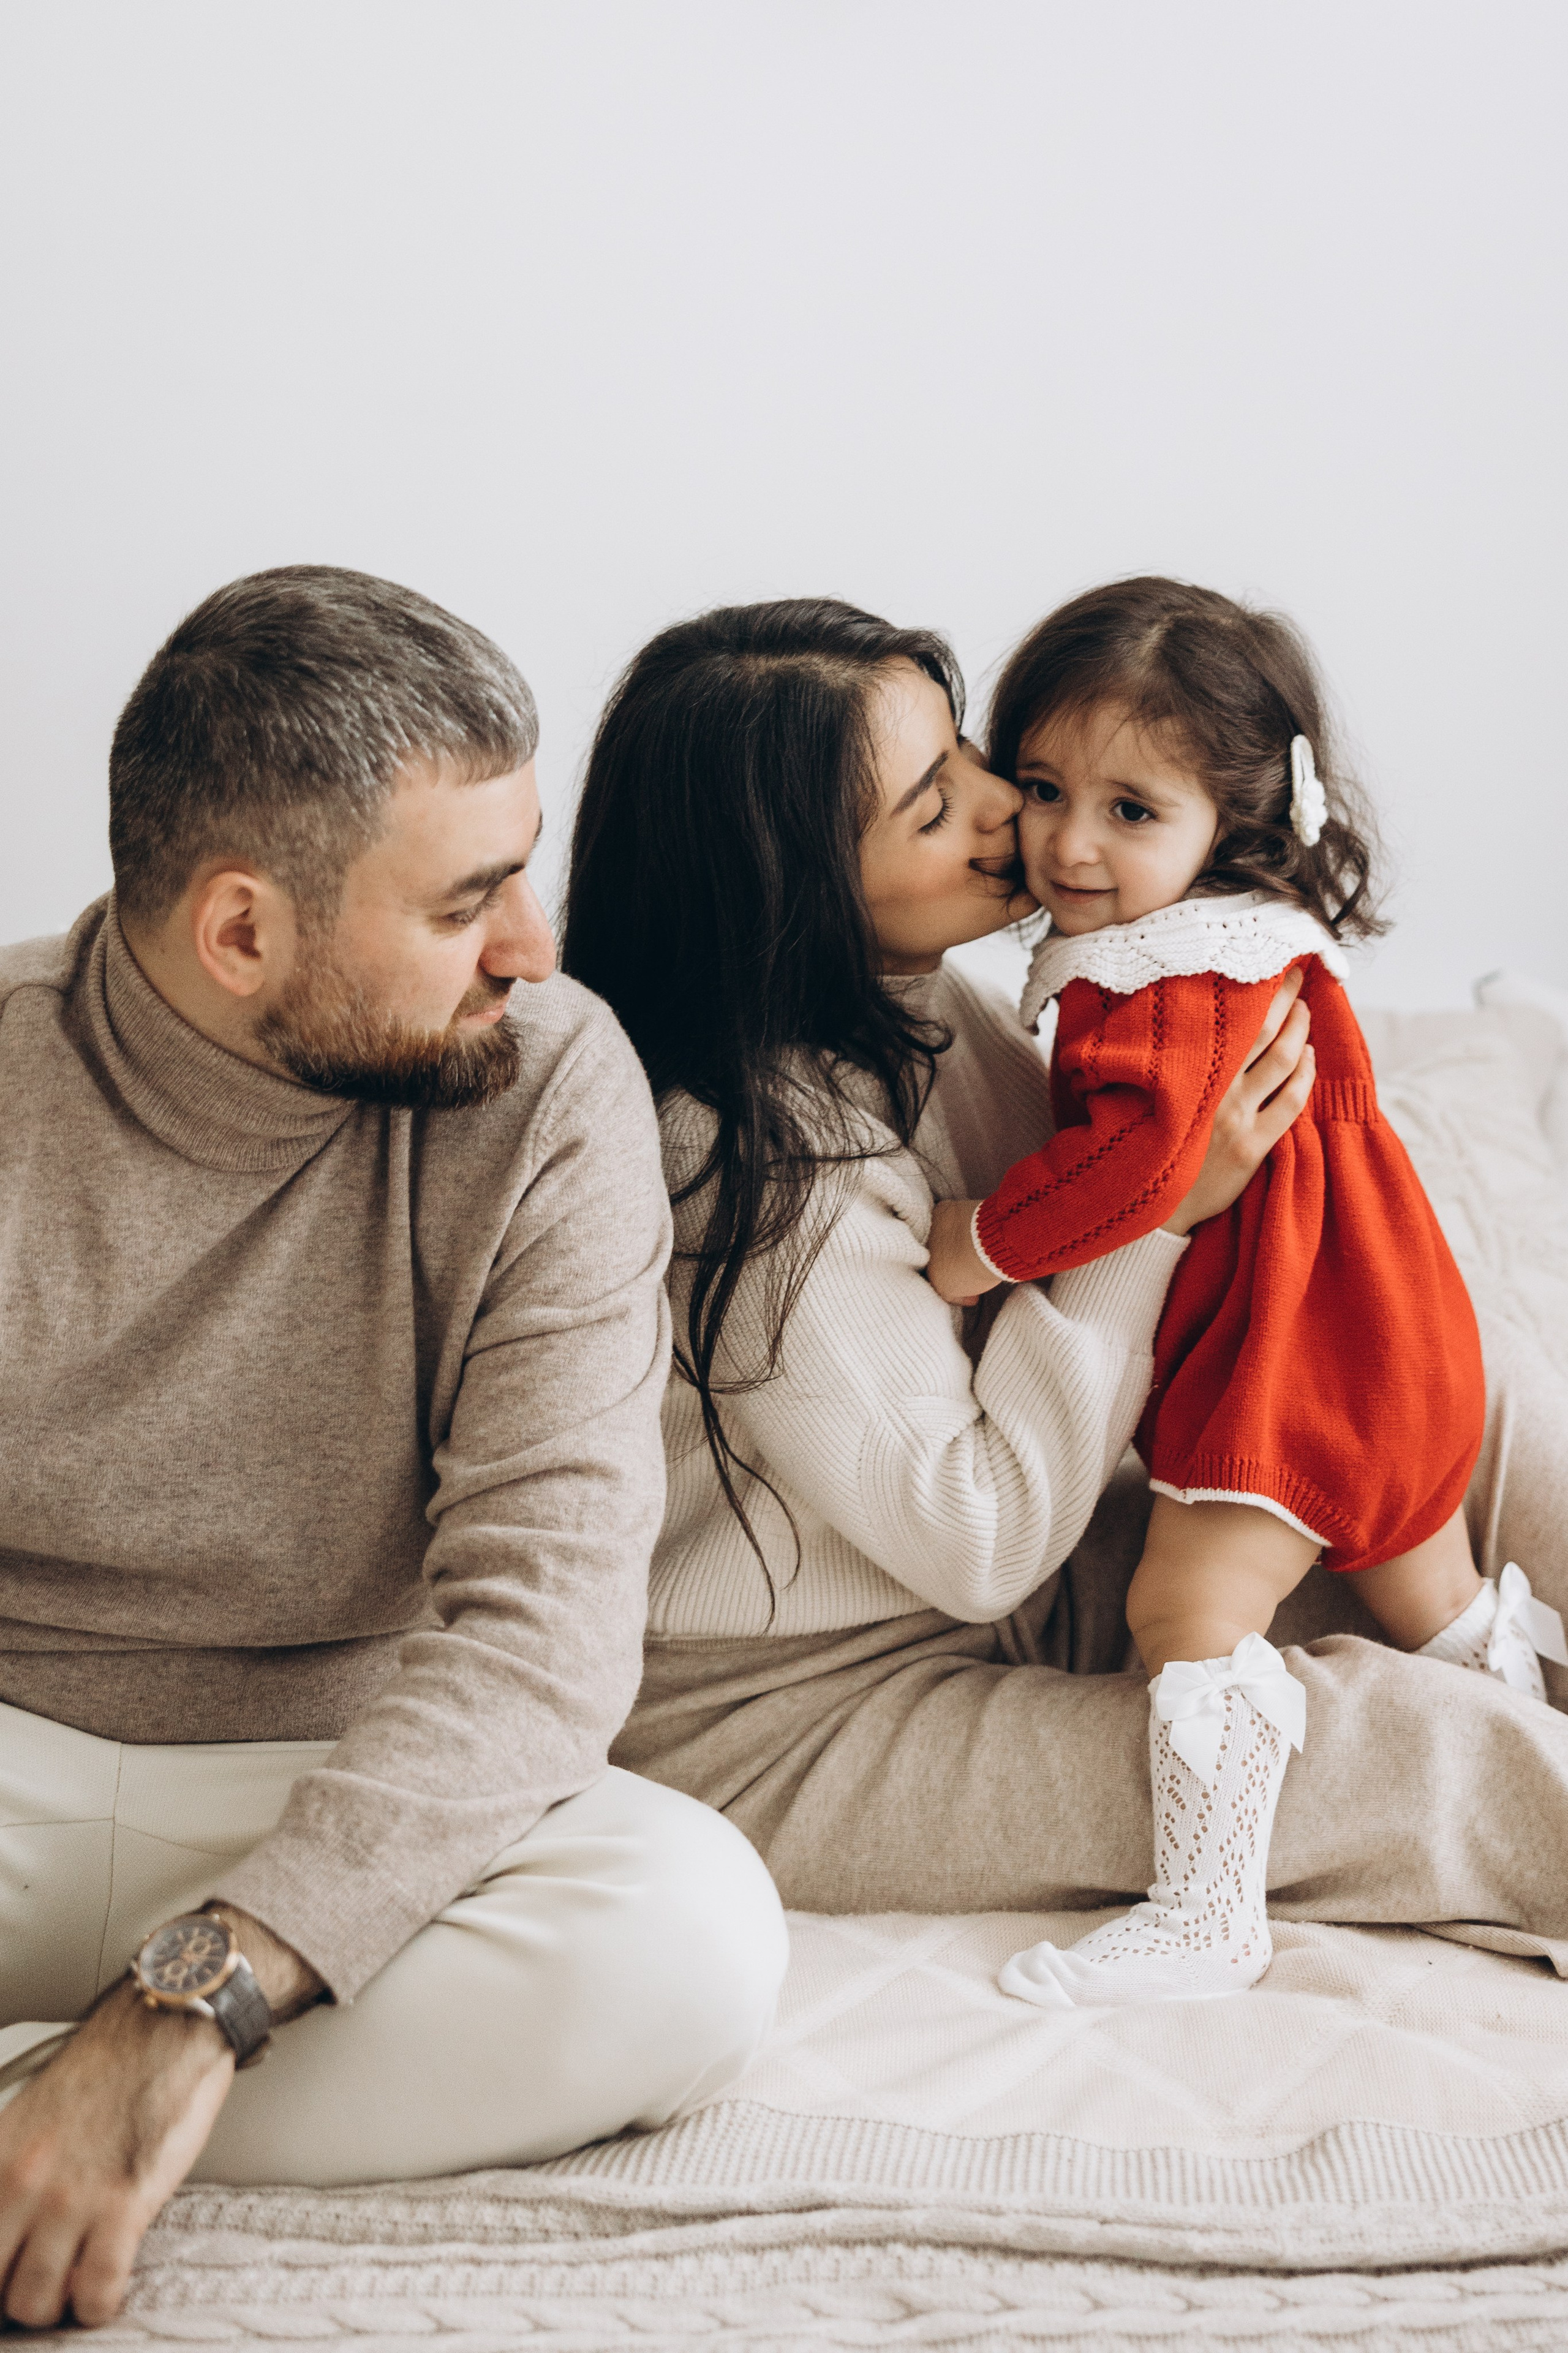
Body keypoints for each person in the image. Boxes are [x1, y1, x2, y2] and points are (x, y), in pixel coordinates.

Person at [0, 568, 788, 2333]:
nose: (535, 943)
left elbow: (545, 1633)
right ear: (239, 933)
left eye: (525, 868)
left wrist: (185, 2005)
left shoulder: (548, 1083)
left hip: (343, 1796)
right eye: (467, 901)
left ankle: (96, 2103)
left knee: (693, 1936)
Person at [562, 595, 1568, 1973]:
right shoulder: (762, 1167)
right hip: (802, 1705)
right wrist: (1165, 1211)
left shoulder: (920, 992)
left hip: (995, 1575)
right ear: (794, 891)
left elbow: (1089, 1197)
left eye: (968, 752)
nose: (1011, 812)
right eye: (933, 806)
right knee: (1367, 1750)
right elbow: (980, 1524)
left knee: (1440, 1403)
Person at [919, 577, 1564, 2009]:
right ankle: (1532, 1743)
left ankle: (1207, 1910)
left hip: (1298, 1356)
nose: (1069, 842)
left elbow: (1140, 1167)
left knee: (1186, 1608)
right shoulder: (1239, 937)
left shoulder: (1166, 983)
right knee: (1432, 1598)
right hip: (1399, 1338)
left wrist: (978, 1242)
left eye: (1130, 810)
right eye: (1039, 786)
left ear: (1238, 823)